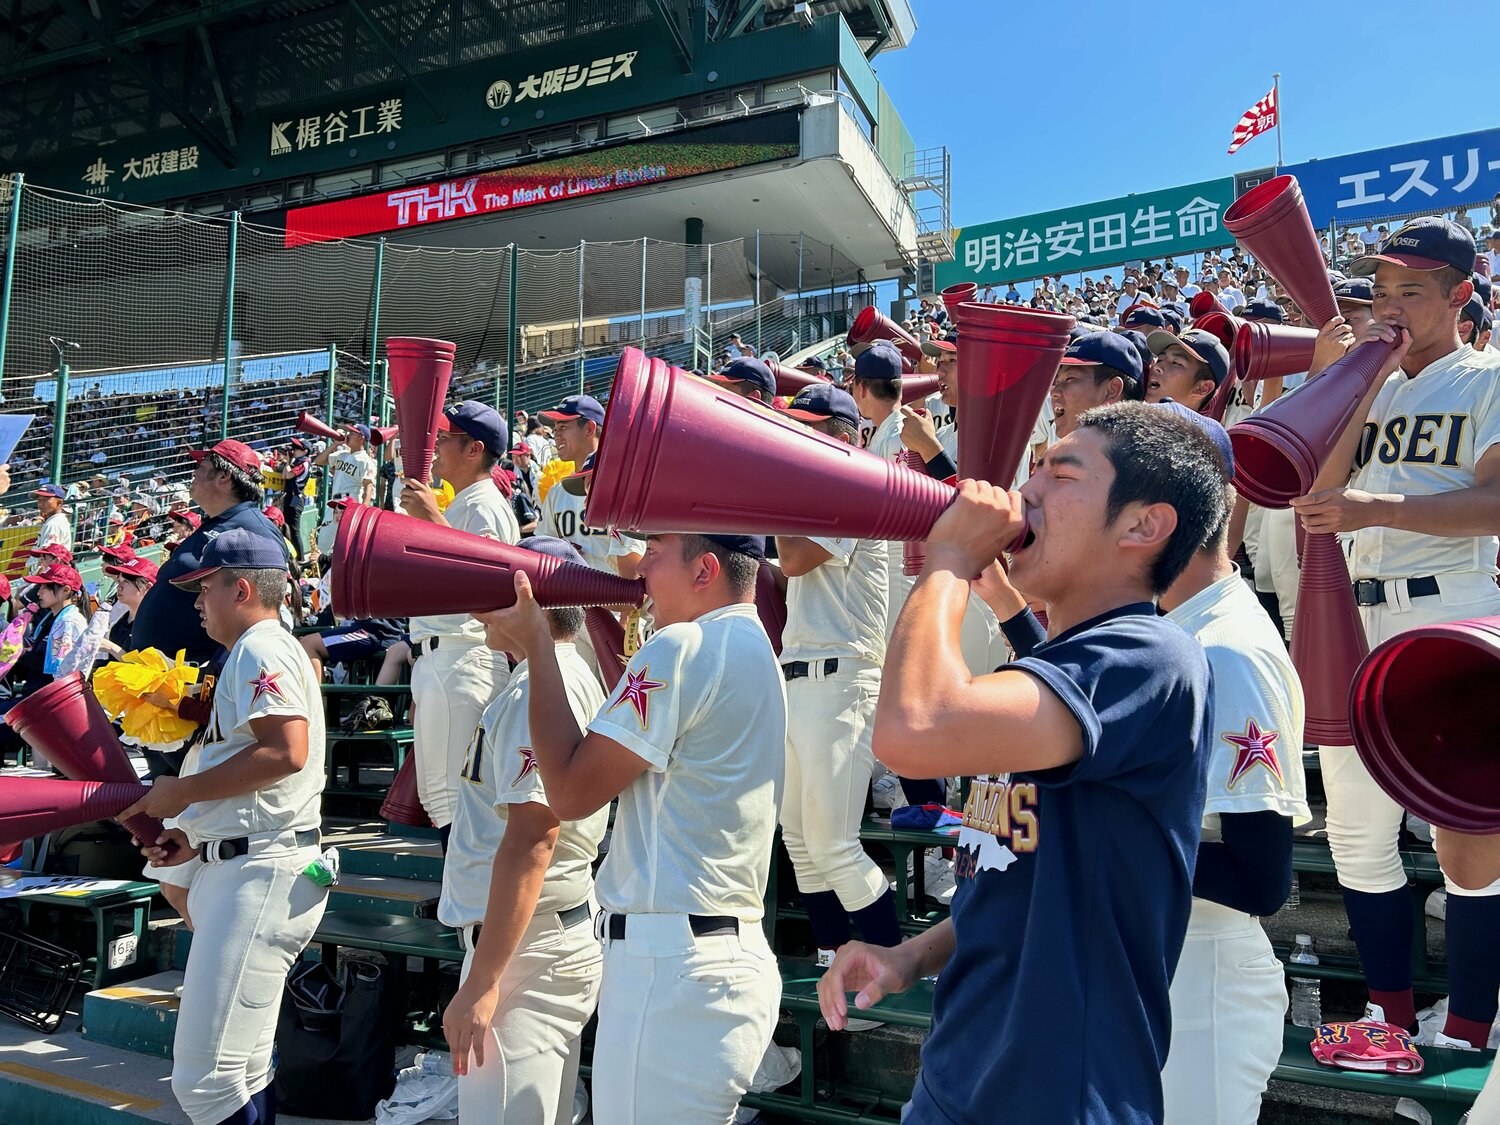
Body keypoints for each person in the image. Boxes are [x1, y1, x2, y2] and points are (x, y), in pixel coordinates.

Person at [818, 402, 1225, 1124]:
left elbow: (914, 728)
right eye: (1034, 467)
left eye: (1060, 473)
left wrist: (947, 558)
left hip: (1057, 1099)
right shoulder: (1052, 665)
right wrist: (911, 956)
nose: (1025, 491)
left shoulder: (1148, 656)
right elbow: (1009, 884)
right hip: (955, 1080)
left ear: (1143, 525)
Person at [488, 530, 783, 1122]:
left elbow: (569, 793)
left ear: (704, 570)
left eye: (655, 551)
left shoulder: (685, 645)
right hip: (705, 959)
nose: (639, 566)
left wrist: (539, 647)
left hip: (675, 968)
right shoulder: (754, 645)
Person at [1291, 217, 1500, 1050]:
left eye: (1410, 290)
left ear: (1459, 295)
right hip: (1354, 609)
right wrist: (1334, 384)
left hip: (1451, 605)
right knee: (1354, 827)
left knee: (1468, 832)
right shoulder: (1365, 380)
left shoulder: (1486, 376)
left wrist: (1383, 507)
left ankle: (1472, 1024)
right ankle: (1389, 1015)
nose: (1390, 304)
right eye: (1380, 290)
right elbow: (1313, 489)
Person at [117, 529, 326, 1125]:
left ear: (241, 588)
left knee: (206, 1084)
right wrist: (197, 831)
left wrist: (180, 794)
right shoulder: (253, 650)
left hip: (262, 867)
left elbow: (286, 751)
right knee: (241, 1072)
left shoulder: (263, 646)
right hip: (243, 858)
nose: (196, 601)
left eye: (204, 587)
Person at [1155, 405, 1309, 1124]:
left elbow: (1260, 876)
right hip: (1158, 953)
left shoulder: (1227, 647)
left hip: (1204, 971)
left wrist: (1094, 836)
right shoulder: (1171, 625)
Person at [439, 537, 609, 1125]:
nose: (477, 608)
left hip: (524, 947)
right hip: (542, 935)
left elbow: (536, 838)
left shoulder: (542, 682)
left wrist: (483, 982)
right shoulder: (558, 673)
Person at [771, 385, 904, 970]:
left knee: (832, 844)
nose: (800, 436)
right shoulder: (816, 496)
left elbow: (796, 559)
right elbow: (786, 570)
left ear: (846, 436)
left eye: (813, 427)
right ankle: (833, 958)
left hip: (842, 677)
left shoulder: (855, 486)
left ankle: (893, 965)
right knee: (800, 842)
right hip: (801, 676)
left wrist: (767, 492)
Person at [401, 401, 520, 847]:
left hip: (463, 655)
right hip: (442, 658)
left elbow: (486, 591)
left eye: (447, 439)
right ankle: (463, 901)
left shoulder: (485, 506)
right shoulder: (468, 503)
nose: (436, 447)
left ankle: (470, 907)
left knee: (455, 799)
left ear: (474, 449)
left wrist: (433, 520)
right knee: (442, 800)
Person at [132, 440, 287, 667]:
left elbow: (266, 604)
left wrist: (214, 669)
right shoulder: (216, 524)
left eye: (201, 467)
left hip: (193, 675)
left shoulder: (254, 528)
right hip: (165, 676)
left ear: (224, 476)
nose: (193, 473)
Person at [535, 395, 642, 578]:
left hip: (618, 602)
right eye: (554, 429)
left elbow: (635, 573)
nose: (556, 435)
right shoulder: (557, 492)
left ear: (590, 429)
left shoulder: (622, 489)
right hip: (572, 600)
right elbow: (541, 551)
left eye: (563, 427)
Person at [1049, 331, 1145, 439]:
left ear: (1112, 390)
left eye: (1070, 379)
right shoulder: (1067, 449)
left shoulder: (1139, 454)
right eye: (1056, 382)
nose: (1054, 392)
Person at [313, 424, 375, 556]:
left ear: (361, 438)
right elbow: (319, 461)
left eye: (352, 433)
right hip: (334, 503)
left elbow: (367, 489)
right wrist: (335, 444)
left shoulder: (366, 461)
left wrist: (362, 512)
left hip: (349, 505)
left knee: (344, 546)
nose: (348, 435)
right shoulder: (341, 454)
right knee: (323, 544)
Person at [1144, 327, 1231, 412]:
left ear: (1203, 388)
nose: (1156, 367)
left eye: (1176, 363)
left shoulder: (1206, 426)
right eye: (1160, 359)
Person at [101, 554, 158, 658]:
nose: (119, 587)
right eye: (119, 581)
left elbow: (150, 668)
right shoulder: (118, 623)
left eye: (126, 582)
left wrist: (110, 647)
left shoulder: (155, 625)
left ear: (148, 588)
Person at [30, 483, 73, 566]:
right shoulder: (54, 521)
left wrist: (38, 576)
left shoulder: (54, 524)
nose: (40, 504)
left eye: (45, 500)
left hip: (46, 573)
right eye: (39, 500)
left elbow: (49, 557)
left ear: (59, 502)